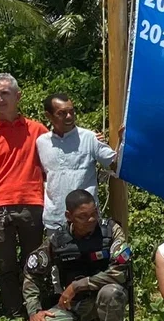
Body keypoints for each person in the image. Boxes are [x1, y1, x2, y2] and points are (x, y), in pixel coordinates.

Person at [22, 189, 131, 321]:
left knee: (110, 292)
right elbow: (32, 274)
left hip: (106, 298)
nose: (91, 220)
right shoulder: (57, 240)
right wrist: (34, 311)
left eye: (94, 214)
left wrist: (79, 285)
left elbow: (120, 272)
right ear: (68, 216)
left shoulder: (111, 230)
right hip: (75, 305)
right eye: (83, 217)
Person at [0, 73, 49, 317]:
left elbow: (57, 160)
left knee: (35, 263)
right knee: (5, 267)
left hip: (33, 204)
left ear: (18, 96)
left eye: (4, 93)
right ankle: (14, 316)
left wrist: (92, 139)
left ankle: (36, 313)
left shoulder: (37, 130)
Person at [37, 93, 118, 235]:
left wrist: (125, 141)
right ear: (48, 116)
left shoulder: (89, 138)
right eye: (62, 113)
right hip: (55, 220)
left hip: (87, 221)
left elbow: (115, 164)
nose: (69, 116)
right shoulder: (41, 142)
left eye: (71, 112)